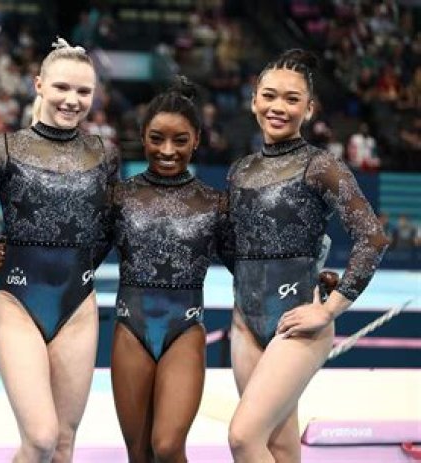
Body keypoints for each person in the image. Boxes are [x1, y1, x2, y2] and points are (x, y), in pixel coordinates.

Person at [226, 49, 390, 463]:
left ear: (309, 108)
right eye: (269, 96)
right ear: (254, 100)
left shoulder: (320, 166)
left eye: (291, 99)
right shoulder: (240, 171)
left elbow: (372, 237)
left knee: (243, 438)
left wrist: (329, 309)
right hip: (245, 324)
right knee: (278, 445)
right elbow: (237, 249)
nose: (278, 107)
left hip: (298, 324)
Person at [0, 38, 120, 462]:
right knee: (40, 439)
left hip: (78, 305)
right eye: (62, 88)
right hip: (19, 301)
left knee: (64, 444)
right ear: (39, 85)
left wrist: (81, 269)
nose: (72, 100)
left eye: (83, 91)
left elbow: (108, 228)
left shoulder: (104, 153)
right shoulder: (3, 149)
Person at [109, 76, 233, 463]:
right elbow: (82, 255)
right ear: (142, 136)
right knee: (139, 454)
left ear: (196, 139)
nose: (167, 150)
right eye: (156, 138)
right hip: (131, 329)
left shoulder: (215, 203)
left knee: (167, 446)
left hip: (185, 330)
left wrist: (307, 278)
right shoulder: (119, 196)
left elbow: (246, 266)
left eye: (180, 140)